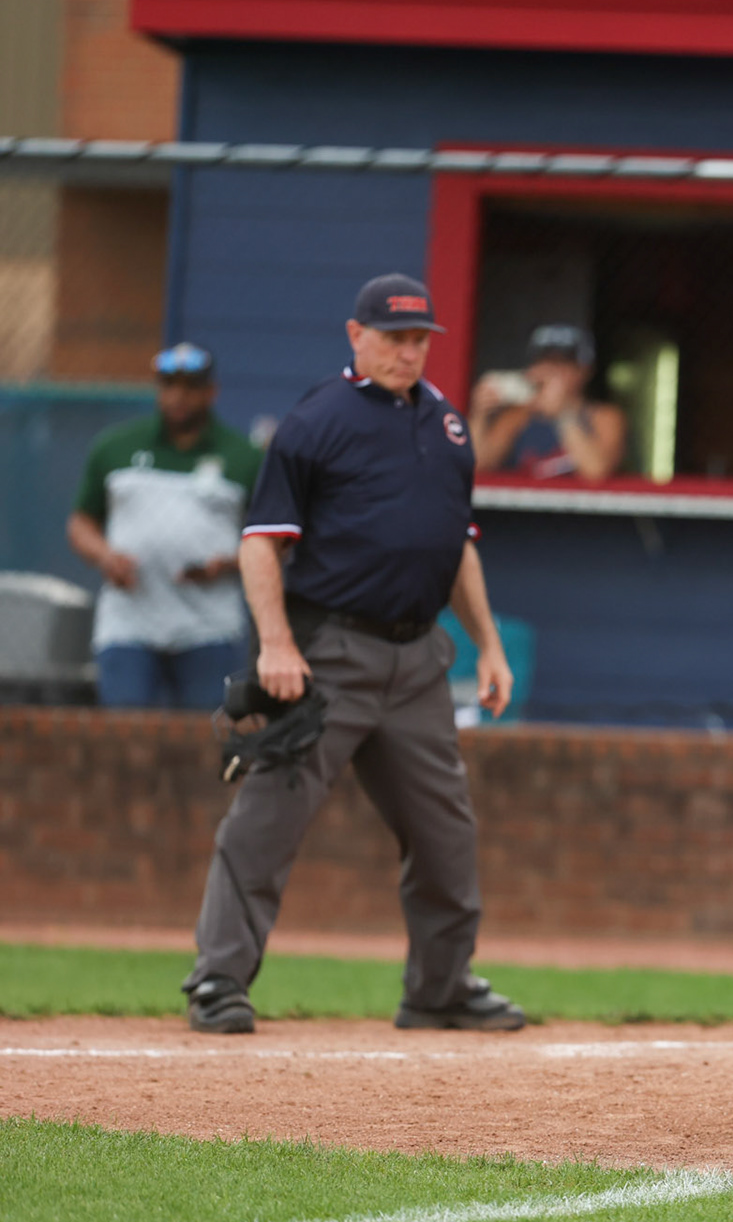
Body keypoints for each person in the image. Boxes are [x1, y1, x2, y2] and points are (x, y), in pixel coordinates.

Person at [180, 273, 524, 1036]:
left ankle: (440, 988)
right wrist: (276, 644)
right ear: (356, 336)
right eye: (394, 339)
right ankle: (218, 979)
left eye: (419, 339)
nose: (409, 352)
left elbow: (457, 548)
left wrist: (489, 647)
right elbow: (261, 544)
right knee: (268, 818)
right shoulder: (317, 421)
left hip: (419, 658)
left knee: (446, 832)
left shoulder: (448, 426)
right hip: (330, 653)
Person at [67, 343, 262, 709]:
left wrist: (230, 563)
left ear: (211, 392)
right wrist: (105, 556)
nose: (178, 397)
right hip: (130, 621)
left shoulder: (245, 457)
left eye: (190, 387)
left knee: (210, 730)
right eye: (169, 386)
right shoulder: (115, 447)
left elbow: (271, 540)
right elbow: (82, 522)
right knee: (125, 728)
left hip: (209, 625)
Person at [470, 324, 626, 482]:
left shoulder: (604, 417)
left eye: (561, 363)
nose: (551, 371)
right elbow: (479, 465)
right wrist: (480, 414)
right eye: (545, 361)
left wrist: (563, 413)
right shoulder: (517, 416)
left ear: (584, 371)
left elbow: (596, 472)